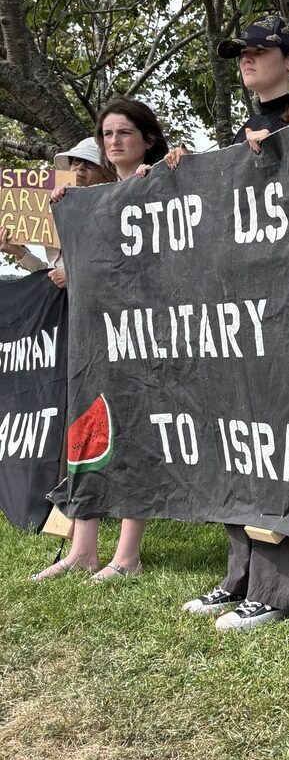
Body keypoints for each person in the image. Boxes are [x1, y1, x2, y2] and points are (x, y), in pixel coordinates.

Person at [179, 14, 289, 632]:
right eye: (241, 52)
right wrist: (184, 167)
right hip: (243, 318)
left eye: (260, 51)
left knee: (282, 449)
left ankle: (279, 588)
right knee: (241, 444)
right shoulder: (239, 131)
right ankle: (239, 576)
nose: (247, 59)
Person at [32, 99, 169, 582]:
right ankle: (82, 548)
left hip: (142, 332)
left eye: (124, 132)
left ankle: (127, 554)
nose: (114, 143)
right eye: (107, 134)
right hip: (94, 335)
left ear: (147, 137)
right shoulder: (87, 201)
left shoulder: (163, 182)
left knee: (134, 434)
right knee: (86, 432)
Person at [0, 138, 114, 276]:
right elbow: (50, 273)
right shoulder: (53, 207)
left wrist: (74, 277)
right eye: (75, 161)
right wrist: (19, 252)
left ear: (107, 175)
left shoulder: (114, 211)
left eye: (91, 163)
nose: (80, 167)